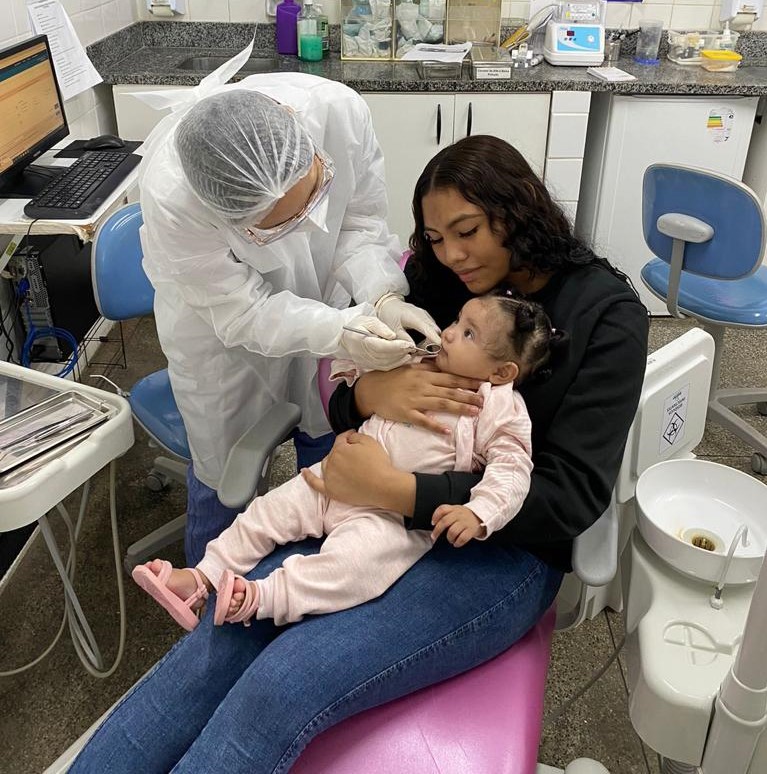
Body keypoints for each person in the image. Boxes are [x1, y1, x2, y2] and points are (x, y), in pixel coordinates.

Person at [70, 135, 648, 774]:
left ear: (520, 210)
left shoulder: (606, 316)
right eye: (434, 238)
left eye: (468, 232)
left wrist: (399, 491)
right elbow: (346, 394)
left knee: (283, 684)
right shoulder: (442, 283)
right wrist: (373, 392)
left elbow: (570, 496)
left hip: (497, 549)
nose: (451, 255)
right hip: (358, 506)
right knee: (221, 638)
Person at [138, 71, 440, 565]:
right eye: (279, 225)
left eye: (316, 191)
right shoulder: (175, 199)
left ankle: (316, 572)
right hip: (221, 339)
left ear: (292, 119)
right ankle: (205, 594)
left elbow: (358, 223)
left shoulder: (338, 112)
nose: (311, 223)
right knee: (224, 477)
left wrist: (382, 294)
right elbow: (246, 311)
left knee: (327, 443)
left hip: (327, 294)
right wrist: (340, 330)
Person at [132, 292, 561, 630]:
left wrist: (479, 512)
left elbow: (512, 471)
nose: (448, 334)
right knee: (264, 513)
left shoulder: (499, 408)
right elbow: (348, 372)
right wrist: (371, 354)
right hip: (332, 478)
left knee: (354, 570)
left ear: (503, 373)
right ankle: (200, 578)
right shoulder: (424, 358)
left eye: (468, 334)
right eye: (456, 322)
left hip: (388, 517)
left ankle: (261, 598)